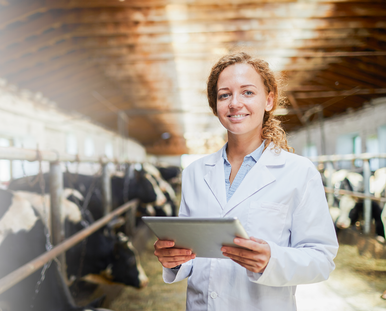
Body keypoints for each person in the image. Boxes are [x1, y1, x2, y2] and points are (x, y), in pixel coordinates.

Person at [153, 52, 339, 310]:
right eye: (224, 95)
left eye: (248, 92)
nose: (235, 103)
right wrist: (174, 258)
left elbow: (322, 259)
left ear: (269, 100)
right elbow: (192, 251)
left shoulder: (299, 172)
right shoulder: (195, 172)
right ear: (215, 105)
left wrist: (272, 260)